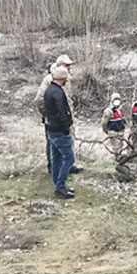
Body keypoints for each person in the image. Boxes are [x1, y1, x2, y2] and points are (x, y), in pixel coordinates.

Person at [36, 55, 80, 175]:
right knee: (53, 144)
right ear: (60, 66)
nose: (69, 67)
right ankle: (53, 168)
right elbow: (39, 100)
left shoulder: (67, 79)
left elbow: (69, 99)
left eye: (70, 65)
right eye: (67, 65)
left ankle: (68, 166)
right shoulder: (49, 80)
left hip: (65, 119)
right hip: (54, 121)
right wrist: (49, 115)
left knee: (68, 141)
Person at [44, 65, 76, 199]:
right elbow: (62, 112)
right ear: (63, 79)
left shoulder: (48, 90)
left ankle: (58, 184)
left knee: (56, 158)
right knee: (69, 158)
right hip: (59, 130)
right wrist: (66, 128)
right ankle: (60, 187)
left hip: (50, 128)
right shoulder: (58, 93)